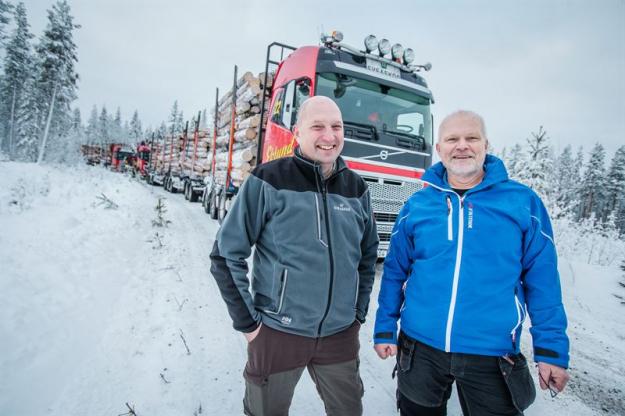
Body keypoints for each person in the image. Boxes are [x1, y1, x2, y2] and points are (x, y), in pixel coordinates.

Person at [373, 110, 570, 416]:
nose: (462, 145)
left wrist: (551, 350)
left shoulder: (521, 202)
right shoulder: (418, 205)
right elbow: (395, 272)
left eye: (471, 138)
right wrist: (385, 327)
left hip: (491, 354)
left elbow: (542, 281)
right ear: (439, 149)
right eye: (452, 139)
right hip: (420, 348)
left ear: (486, 144)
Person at [210, 95, 379, 416]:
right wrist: (249, 325)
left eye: (336, 127)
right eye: (318, 127)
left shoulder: (357, 189)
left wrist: (357, 313)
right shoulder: (268, 179)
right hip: (277, 333)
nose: (329, 136)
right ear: (297, 132)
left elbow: (367, 258)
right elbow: (224, 255)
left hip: (340, 336)